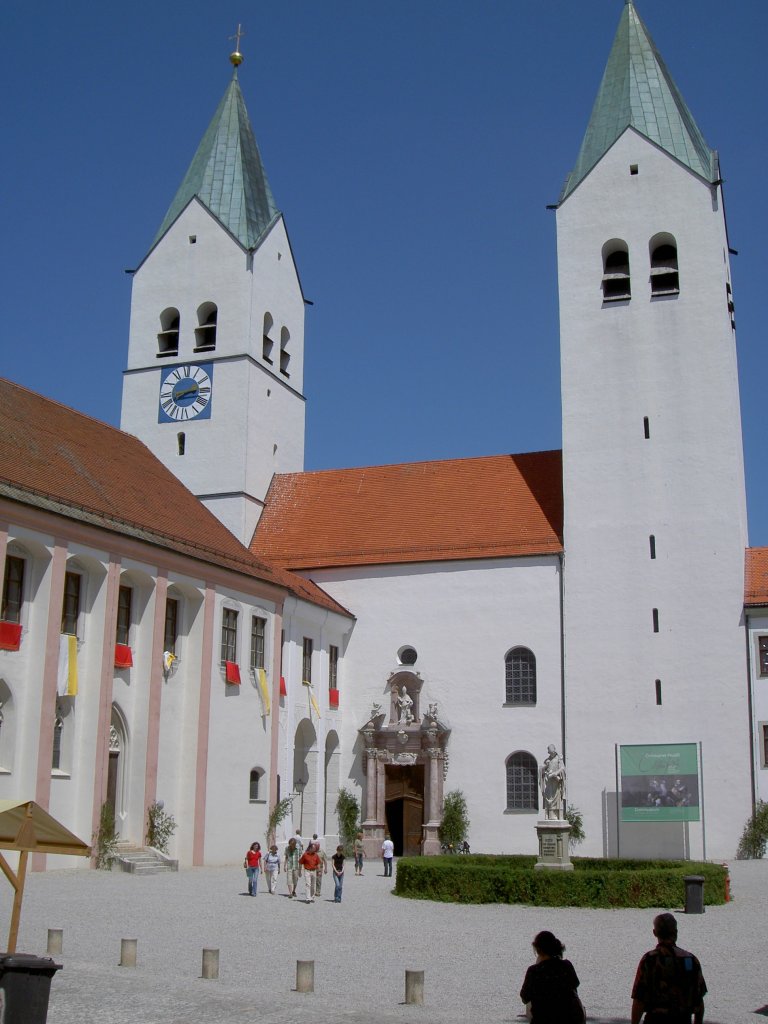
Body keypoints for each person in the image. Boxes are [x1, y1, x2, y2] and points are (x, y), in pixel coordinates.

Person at [631, 913, 706, 1024]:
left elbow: (639, 999)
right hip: (683, 1019)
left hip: (656, 1019)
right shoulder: (690, 960)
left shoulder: (650, 960)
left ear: (655, 933)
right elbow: (699, 1000)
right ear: (676, 933)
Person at [520, 930, 584, 1024]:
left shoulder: (534, 971)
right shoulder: (566, 966)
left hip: (544, 1019)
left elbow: (524, 997)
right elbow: (575, 985)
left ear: (538, 950)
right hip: (571, 1018)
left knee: (530, 1003)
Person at [539, 745, 566, 820]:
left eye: (552, 750)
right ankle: (550, 815)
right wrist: (545, 766)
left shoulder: (559, 759)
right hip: (549, 782)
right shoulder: (547, 760)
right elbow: (541, 769)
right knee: (549, 797)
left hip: (556, 781)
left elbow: (562, 768)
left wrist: (555, 773)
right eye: (549, 751)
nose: (551, 753)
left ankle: (557, 815)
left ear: (554, 749)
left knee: (557, 797)